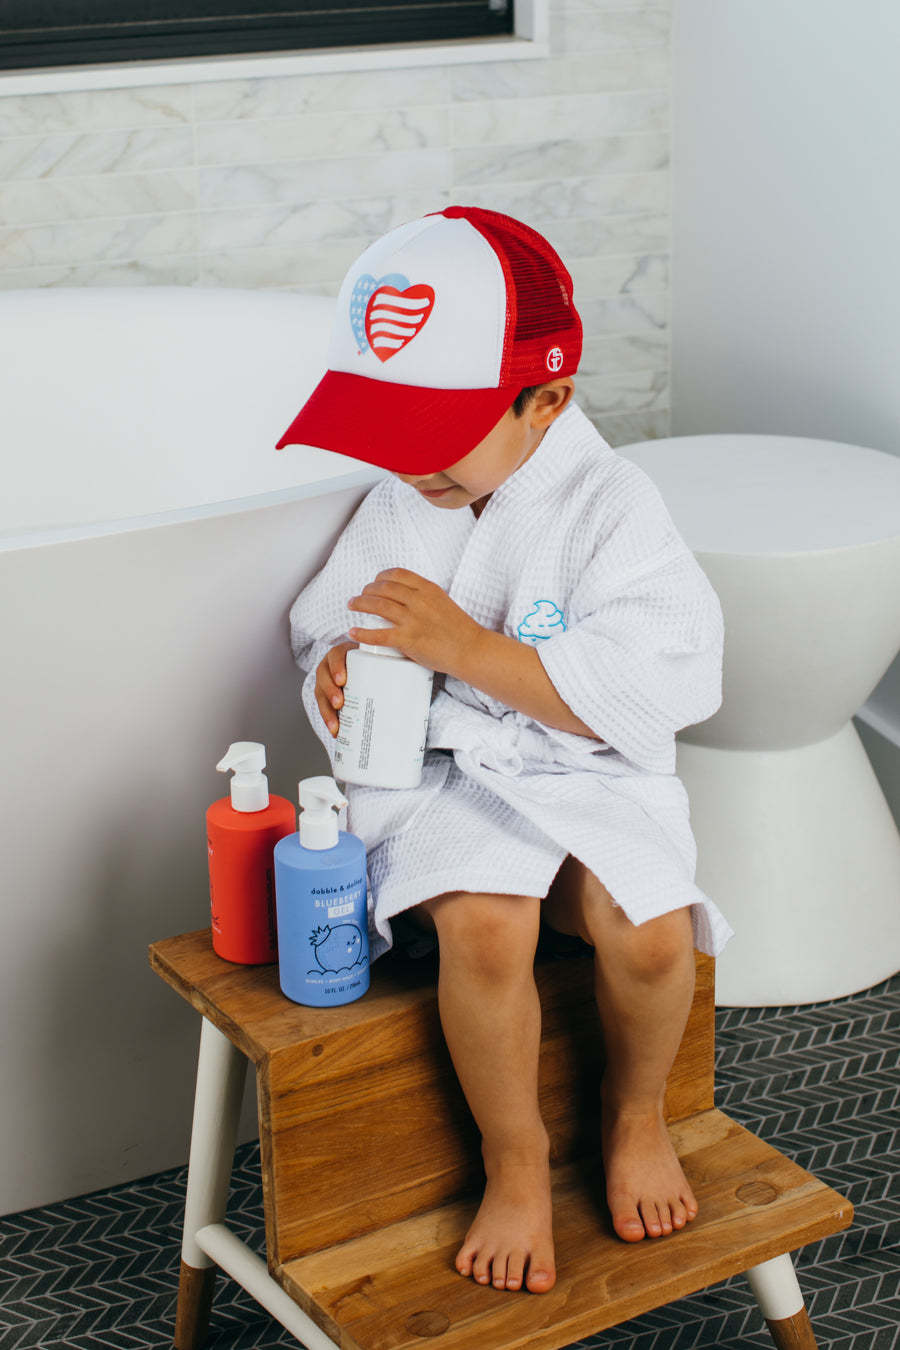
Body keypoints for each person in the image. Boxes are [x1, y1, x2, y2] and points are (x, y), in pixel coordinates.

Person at [276, 205, 733, 1296]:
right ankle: (515, 1158)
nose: (407, 461)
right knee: (487, 924)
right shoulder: (406, 498)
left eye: (434, 431)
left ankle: (634, 1114)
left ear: (547, 401)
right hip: (448, 773)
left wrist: (470, 650)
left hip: (587, 770)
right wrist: (333, 668)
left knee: (651, 930)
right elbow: (329, 620)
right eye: (390, 429)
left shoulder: (613, 504)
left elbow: (660, 678)